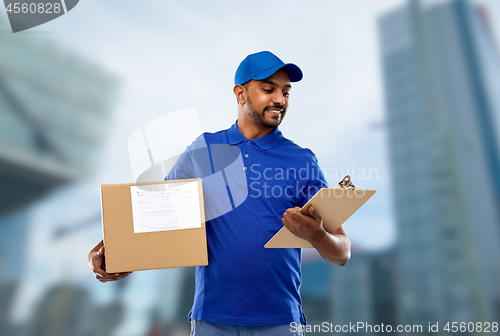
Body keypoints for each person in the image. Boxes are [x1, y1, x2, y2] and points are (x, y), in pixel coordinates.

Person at [88, 51, 351, 335]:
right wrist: (109, 254)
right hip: (211, 320)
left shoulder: (302, 160)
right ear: (240, 93)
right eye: (268, 89)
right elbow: (155, 213)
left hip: (280, 321)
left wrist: (317, 236)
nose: (280, 99)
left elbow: (342, 252)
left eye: (286, 92)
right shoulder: (203, 150)